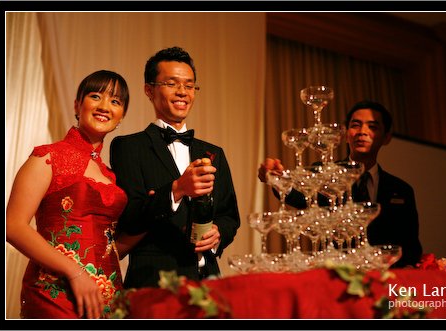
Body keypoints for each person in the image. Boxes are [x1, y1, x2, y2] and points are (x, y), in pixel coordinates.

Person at [110, 46, 240, 288]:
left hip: (208, 283)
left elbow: (229, 215)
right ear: (149, 90)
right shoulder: (128, 147)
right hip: (153, 284)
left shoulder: (213, 153)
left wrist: (219, 232)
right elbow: (129, 218)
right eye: (172, 83)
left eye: (189, 86)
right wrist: (177, 189)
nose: (183, 92)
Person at [6, 70, 130, 318]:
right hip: (55, 292)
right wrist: (75, 272)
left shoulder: (110, 175)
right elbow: (12, 226)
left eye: (115, 101)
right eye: (96, 96)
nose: (105, 106)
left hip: (106, 298)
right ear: (77, 105)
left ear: (121, 116)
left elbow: (109, 247)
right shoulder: (48, 156)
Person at [258, 100, 422, 268]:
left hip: (386, 279)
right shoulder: (325, 173)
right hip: (336, 273)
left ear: (386, 137)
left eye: (372, 127)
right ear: (344, 134)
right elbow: (298, 196)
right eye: (356, 125)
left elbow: (411, 246)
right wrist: (277, 179)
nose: (362, 132)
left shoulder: (401, 190)